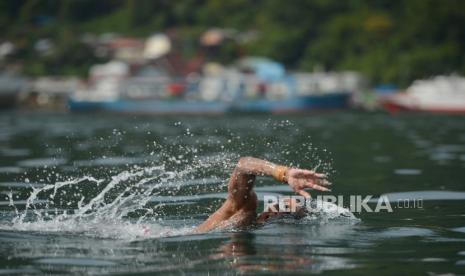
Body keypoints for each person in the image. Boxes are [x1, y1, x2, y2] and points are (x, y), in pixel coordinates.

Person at [194, 156, 331, 233]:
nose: (273, 205)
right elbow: (243, 165)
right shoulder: (244, 210)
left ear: (270, 214)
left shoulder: (246, 218)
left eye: (284, 207)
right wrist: (283, 172)